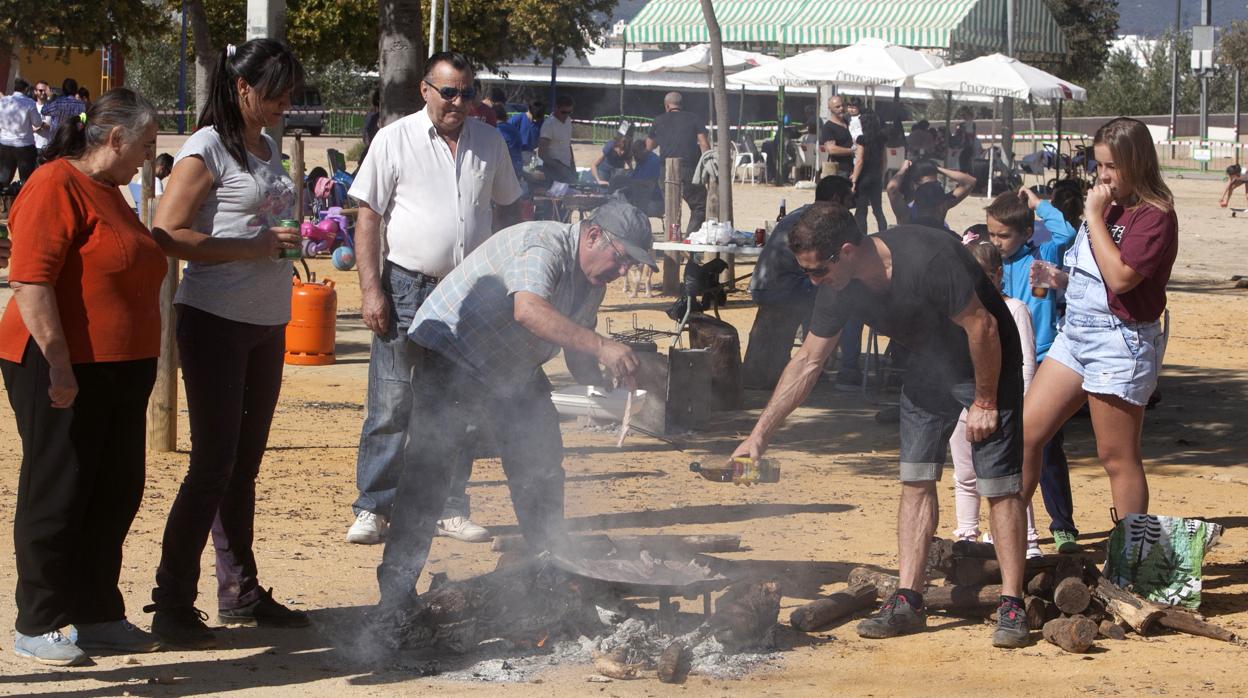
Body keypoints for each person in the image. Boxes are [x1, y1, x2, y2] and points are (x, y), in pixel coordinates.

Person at [729, 203, 1031, 648]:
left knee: (998, 485)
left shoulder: (928, 259)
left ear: (846, 252)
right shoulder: (839, 285)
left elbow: (983, 326)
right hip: (927, 368)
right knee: (915, 479)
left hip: (986, 364)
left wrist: (986, 400)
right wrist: (758, 436)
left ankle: (1012, 604)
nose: (813, 282)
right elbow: (809, 360)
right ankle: (909, 600)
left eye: (816, 271)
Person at [373, 199, 651, 627]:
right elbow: (528, 309)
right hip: (451, 352)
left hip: (510, 366)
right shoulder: (543, 245)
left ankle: (551, 572)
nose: (623, 271)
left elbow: (575, 349)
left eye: (630, 264)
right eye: (622, 258)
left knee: (541, 463)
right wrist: (602, 345)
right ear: (594, 235)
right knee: (430, 472)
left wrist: (605, 379)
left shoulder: (593, 280)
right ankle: (395, 593)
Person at [145, 39, 308, 649]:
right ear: (243, 88)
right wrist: (251, 249)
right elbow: (165, 232)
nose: (286, 101)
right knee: (213, 465)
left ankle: (239, 591)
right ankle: (170, 602)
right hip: (213, 320)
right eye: (277, 91)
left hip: (268, 321)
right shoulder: (205, 148)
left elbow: (259, 227)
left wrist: (290, 242)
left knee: (243, 466)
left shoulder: (265, 147)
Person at [0, 88, 164, 666]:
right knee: (59, 490)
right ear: (115, 138)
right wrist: (60, 363)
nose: (148, 157)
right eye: (144, 145)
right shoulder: (53, 184)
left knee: (114, 491)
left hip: (120, 370)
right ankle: (38, 621)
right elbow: (31, 282)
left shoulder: (111, 191)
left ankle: (96, 611)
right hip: (61, 365)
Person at [346, 51, 523, 549]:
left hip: (471, 291)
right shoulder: (394, 139)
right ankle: (373, 507)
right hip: (406, 286)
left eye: (467, 93)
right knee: (391, 400)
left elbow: (510, 209)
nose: (458, 102)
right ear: (425, 90)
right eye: (448, 92)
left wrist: (506, 277)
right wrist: (370, 289)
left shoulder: (490, 142)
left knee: (457, 406)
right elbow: (368, 218)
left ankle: (450, 507)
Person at [1021, 117, 1178, 526]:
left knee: (1116, 456)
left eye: (1111, 166)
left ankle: (1129, 560)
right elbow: (1098, 276)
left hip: (1119, 343)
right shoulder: (1109, 206)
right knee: (1025, 434)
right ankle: (1010, 535)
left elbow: (1123, 279)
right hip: (1075, 335)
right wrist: (1062, 280)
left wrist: (1092, 216)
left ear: (1138, 162)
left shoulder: (1154, 215)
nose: (1102, 176)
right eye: (1099, 165)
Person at [1001, 185, 1084, 553]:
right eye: (993, 234)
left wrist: (1038, 203)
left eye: (1005, 235)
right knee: (1009, 445)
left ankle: (1063, 525)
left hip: (1042, 358)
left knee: (1048, 446)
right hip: (1005, 357)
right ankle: (1016, 528)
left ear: (1026, 233)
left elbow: (1066, 232)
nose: (998, 242)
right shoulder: (991, 262)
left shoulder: (1042, 255)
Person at [950, 241, 1043, 559]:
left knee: (1006, 479)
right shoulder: (959, 312)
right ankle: (966, 534)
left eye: (985, 276)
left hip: (1004, 406)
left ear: (998, 274)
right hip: (964, 404)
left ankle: (1026, 539)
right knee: (964, 475)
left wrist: (1025, 408)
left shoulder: (1015, 309)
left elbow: (1026, 364)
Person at [743, 176, 862, 391]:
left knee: (823, 289)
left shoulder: (803, 215)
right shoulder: (821, 224)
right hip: (783, 287)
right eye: (849, 197)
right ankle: (848, 371)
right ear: (836, 198)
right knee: (848, 301)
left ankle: (820, 367)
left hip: (769, 284)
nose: (853, 202)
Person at [646, 92, 710, 235]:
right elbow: (704, 144)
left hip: (666, 171)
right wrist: (707, 166)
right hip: (689, 169)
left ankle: (672, 239)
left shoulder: (658, 120)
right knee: (700, 205)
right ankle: (690, 238)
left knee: (671, 208)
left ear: (667, 106)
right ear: (681, 105)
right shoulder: (694, 118)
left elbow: (649, 146)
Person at [886, 159, 976, 231]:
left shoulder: (941, 202)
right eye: (927, 185)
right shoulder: (906, 211)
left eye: (936, 183)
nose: (932, 188)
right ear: (913, 185)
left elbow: (970, 182)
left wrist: (936, 168)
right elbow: (892, 189)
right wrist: (903, 170)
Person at [850, 110, 889, 234]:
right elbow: (884, 160)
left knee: (862, 210)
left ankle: (863, 236)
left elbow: (860, 160)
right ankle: (883, 233)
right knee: (878, 210)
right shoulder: (881, 138)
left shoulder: (862, 139)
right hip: (876, 176)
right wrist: (881, 175)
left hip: (864, 177)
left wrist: (854, 179)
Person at [0, 78, 43, 188]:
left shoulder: (3, 101)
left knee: (3, 178)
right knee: (26, 180)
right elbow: (37, 122)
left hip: (4, 143)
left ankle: (3, 201)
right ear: (26, 89)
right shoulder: (30, 103)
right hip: (24, 145)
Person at [538, 94, 576, 184]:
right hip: (552, 171)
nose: (566, 115)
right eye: (563, 112)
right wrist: (559, 167)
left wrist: (573, 166)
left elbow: (568, 145)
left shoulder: (568, 121)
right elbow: (542, 153)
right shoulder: (548, 125)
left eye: (569, 112)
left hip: (567, 169)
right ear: (556, 108)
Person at [819, 95, 854, 177]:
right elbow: (831, 149)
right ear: (830, 109)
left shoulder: (848, 122)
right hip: (840, 170)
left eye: (842, 105)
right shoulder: (828, 127)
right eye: (837, 107)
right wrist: (852, 151)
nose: (841, 108)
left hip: (853, 169)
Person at [508, 99, 545, 165]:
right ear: (529, 111)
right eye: (534, 118)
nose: (535, 120)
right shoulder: (516, 120)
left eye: (538, 119)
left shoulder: (542, 122)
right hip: (517, 157)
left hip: (534, 158)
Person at [31, 81, 53, 155]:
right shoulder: (31, 106)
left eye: (45, 90)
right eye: (40, 90)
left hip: (44, 146)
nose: (43, 93)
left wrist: (40, 125)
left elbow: (52, 126)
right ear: (35, 91)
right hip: (29, 145)